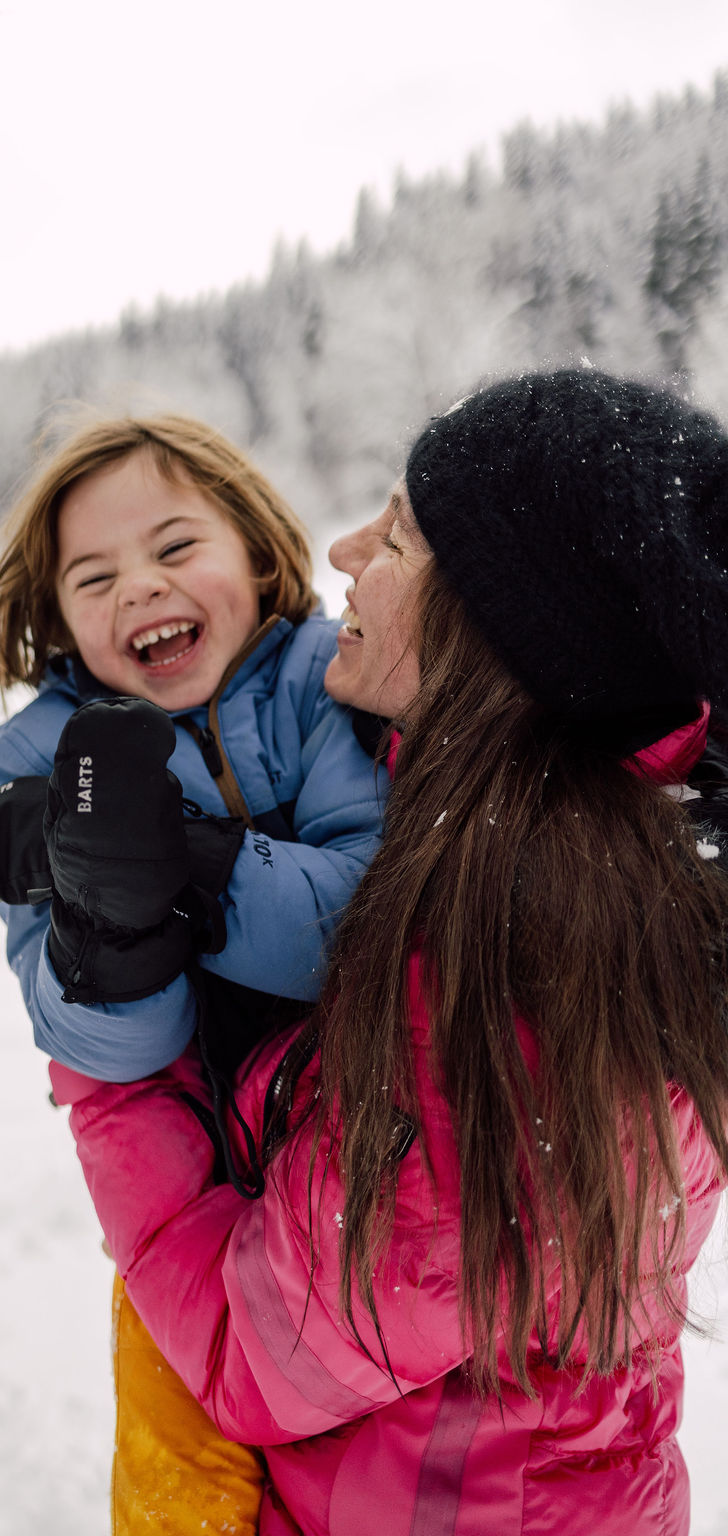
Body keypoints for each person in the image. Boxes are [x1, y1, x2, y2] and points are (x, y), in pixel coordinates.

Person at [47, 368, 728, 1534]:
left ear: (508, 630)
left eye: (402, 536)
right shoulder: (513, 853)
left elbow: (245, 1350)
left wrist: (114, 1012)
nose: (344, 549)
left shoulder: (525, 995)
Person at [0, 412, 385, 1534]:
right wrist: (108, 930)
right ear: (56, 626)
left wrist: (187, 864)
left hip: (358, 1164)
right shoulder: (34, 771)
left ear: (254, 548)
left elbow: (368, 925)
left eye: (174, 548)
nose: (138, 588)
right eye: (93, 577)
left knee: (373, 1460)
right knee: (176, 1479)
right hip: (181, 1193)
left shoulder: (324, 687)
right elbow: (102, 1050)